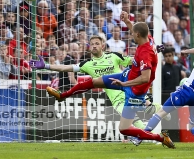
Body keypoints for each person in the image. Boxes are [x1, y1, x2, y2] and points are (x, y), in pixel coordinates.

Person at [29, 12, 173, 147]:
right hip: (117, 96)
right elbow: (65, 68)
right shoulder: (87, 64)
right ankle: (153, 134)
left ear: (103, 46)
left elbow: (134, 61)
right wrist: (47, 66)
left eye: (97, 43)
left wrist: (152, 51)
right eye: (92, 44)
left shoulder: (114, 56)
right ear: (88, 48)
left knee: (141, 115)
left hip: (130, 86)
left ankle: (154, 125)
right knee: (96, 84)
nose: (94, 46)